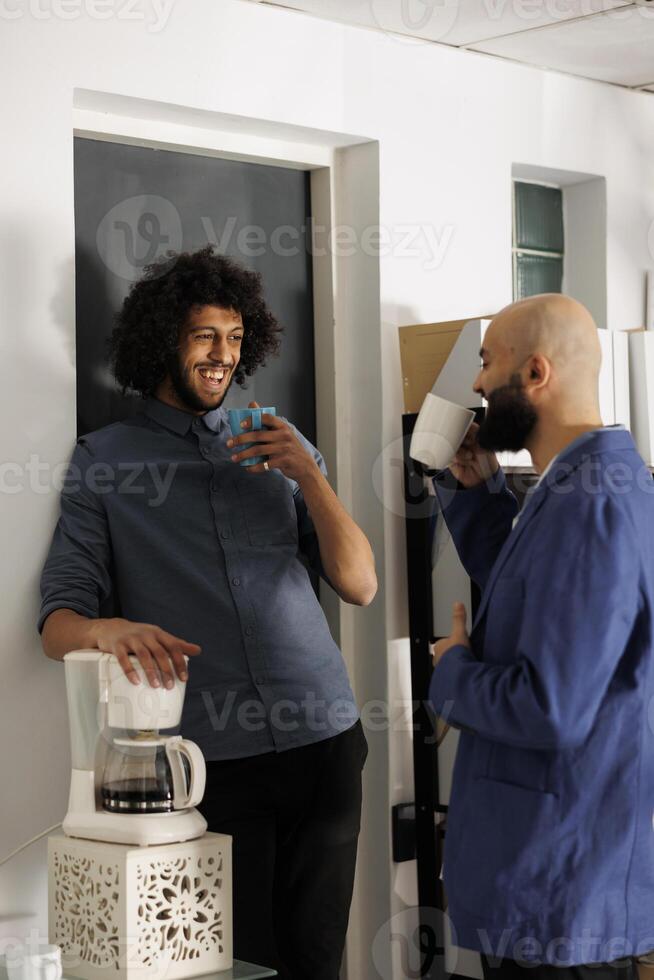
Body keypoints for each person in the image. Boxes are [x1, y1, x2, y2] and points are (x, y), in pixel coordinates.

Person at [39, 245, 376, 980]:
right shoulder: (106, 461)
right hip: (211, 764)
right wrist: (108, 628)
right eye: (203, 337)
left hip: (325, 737)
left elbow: (360, 584)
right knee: (236, 964)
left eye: (233, 338)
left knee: (319, 960)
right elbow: (57, 622)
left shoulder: (276, 444)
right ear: (165, 342)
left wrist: (309, 476)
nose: (223, 355)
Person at [429, 294, 654, 979]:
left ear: (533, 374)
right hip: (562, 876)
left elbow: (549, 705)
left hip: (558, 883)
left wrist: (452, 670)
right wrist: (478, 495)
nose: (474, 382)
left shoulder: (589, 503)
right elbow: (547, 604)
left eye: (486, 362)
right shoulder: (597, 482)